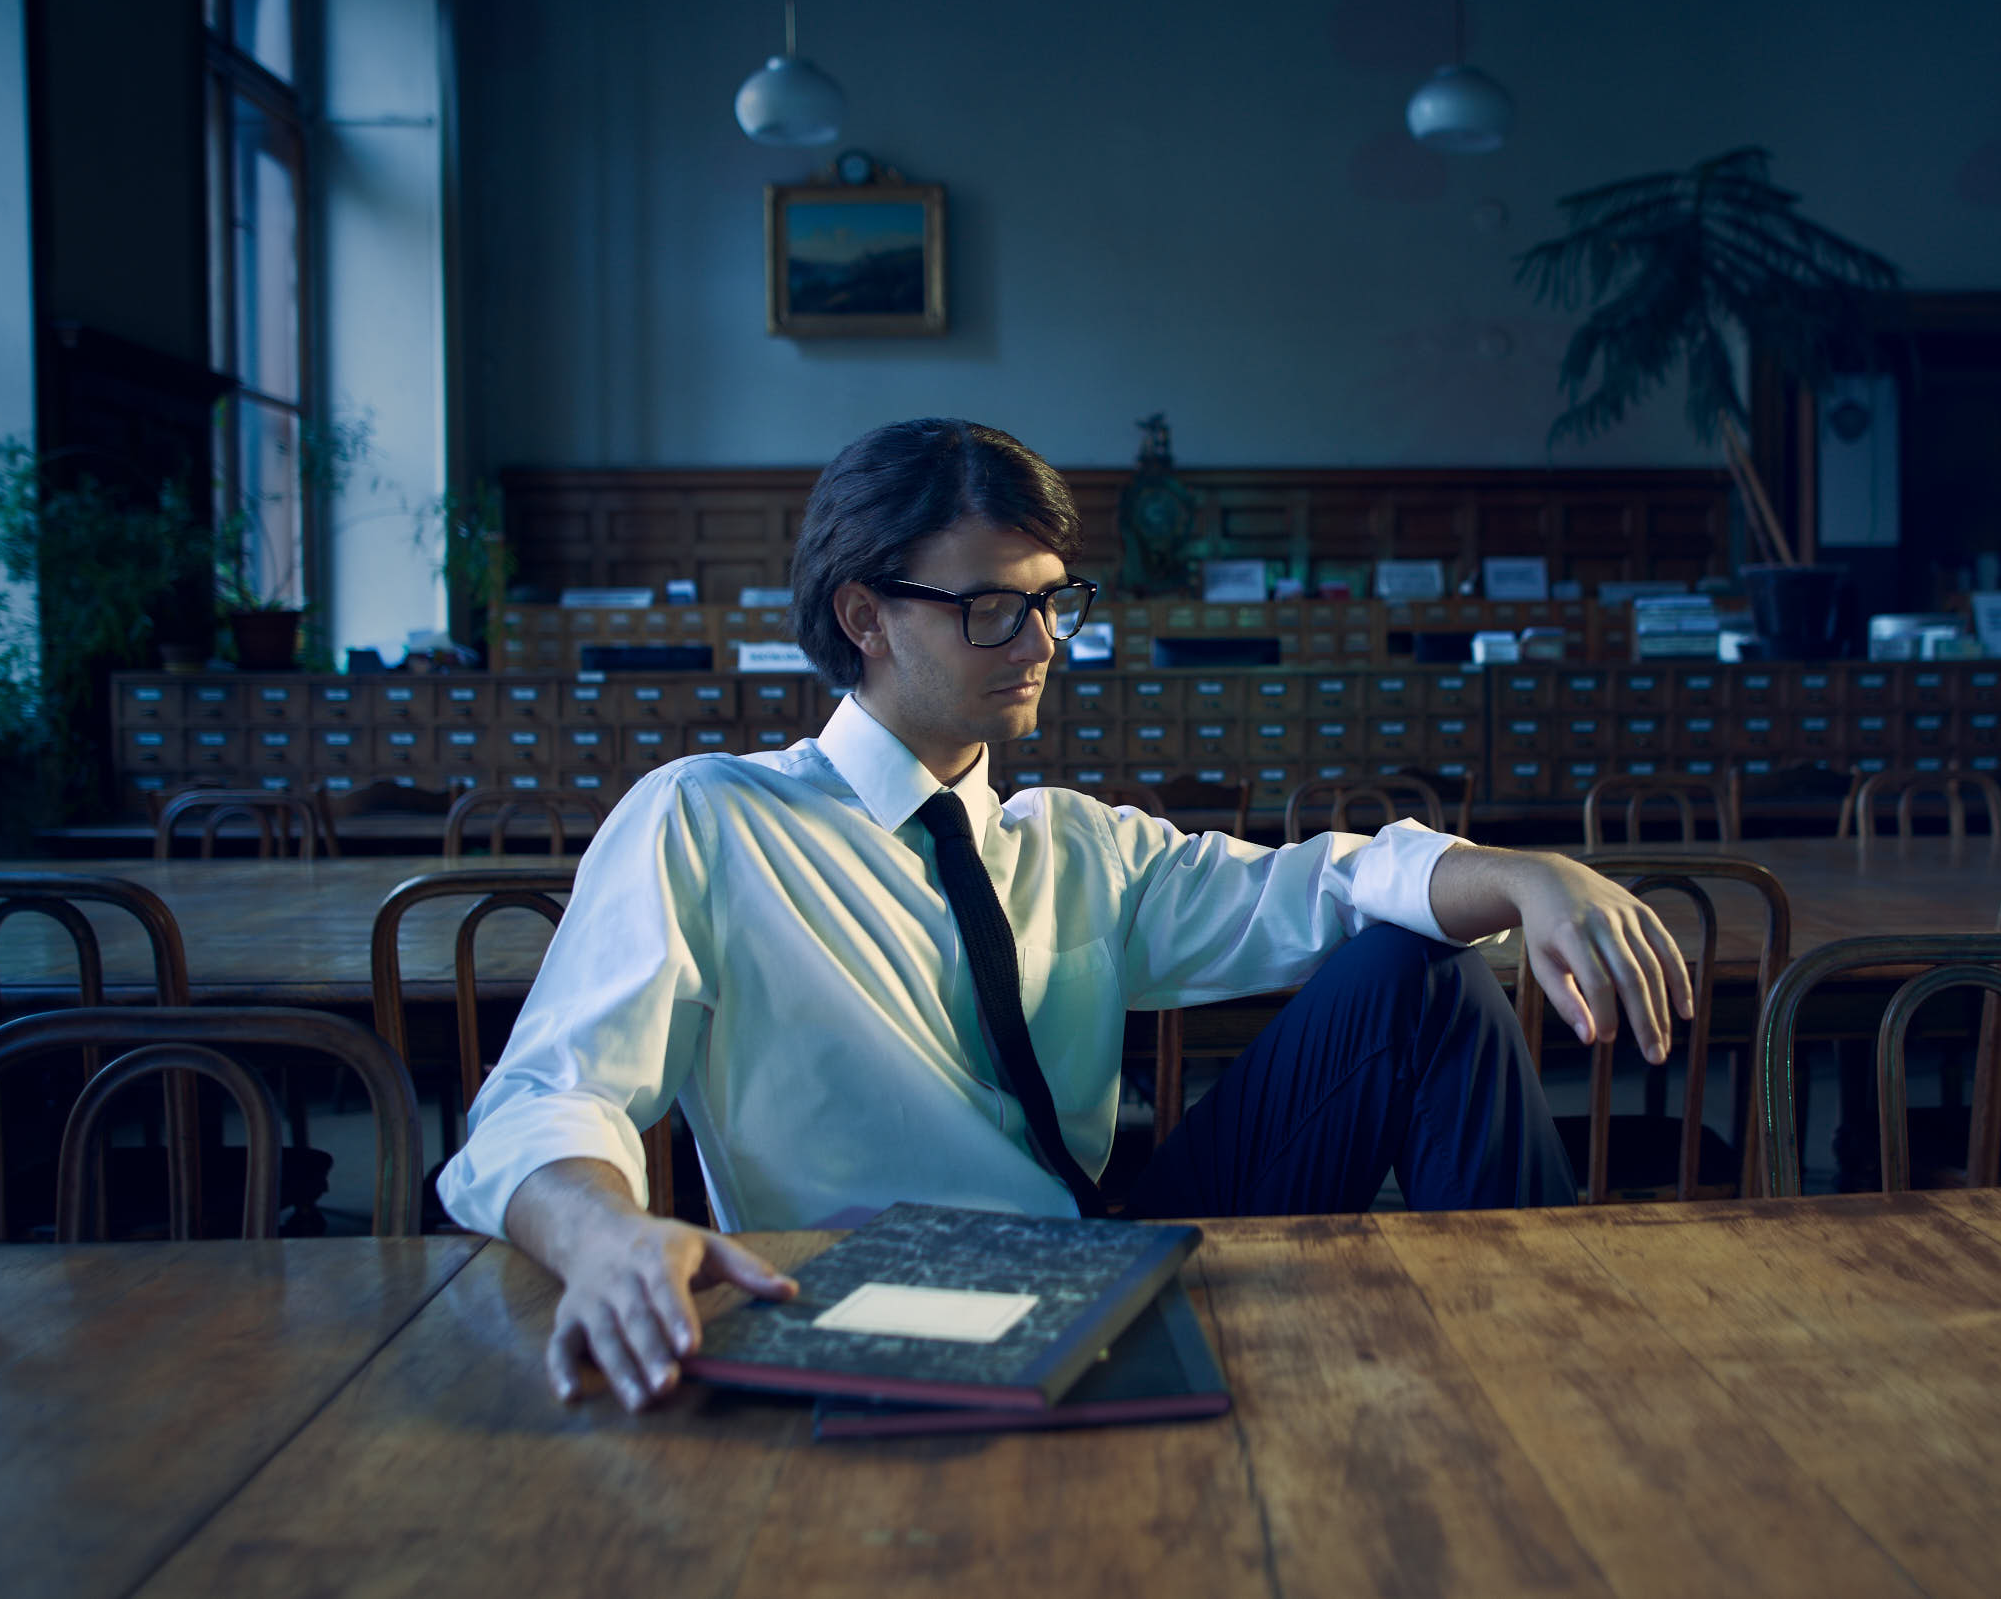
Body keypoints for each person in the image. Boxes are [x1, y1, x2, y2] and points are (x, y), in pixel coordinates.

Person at [438, 418, 1691, 1411]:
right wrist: (600, 1235)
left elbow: (1317, 881)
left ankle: (1540, 1371)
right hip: (883, 1295)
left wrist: (1523, 872)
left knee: (1420, 975)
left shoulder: (1071, 838)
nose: (1042, 641)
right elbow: (550, 1091)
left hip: (1103, 1254)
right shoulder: (708, 819)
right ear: (862, 614)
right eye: (994, 606)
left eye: (1053, 600)